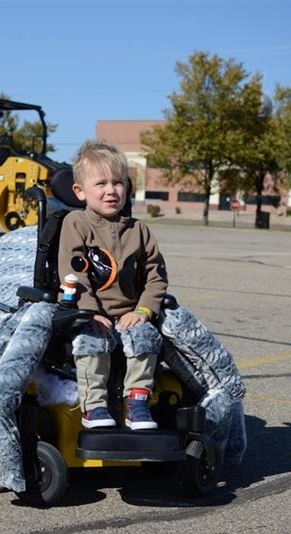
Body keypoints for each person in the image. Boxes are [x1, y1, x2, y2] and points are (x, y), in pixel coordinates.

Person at [58, 140, 168, 429]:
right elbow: (74, 273)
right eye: (102, 183)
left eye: (118, 183)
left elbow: (156, 276)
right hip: (89, 314)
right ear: (80, 191)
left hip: (130, 314)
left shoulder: (139, 231)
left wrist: (144, 311)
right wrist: (89, 311)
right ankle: (93, 407)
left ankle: (137, 403)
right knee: (90, 341)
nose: (111, 190)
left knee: (145, 337)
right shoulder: (76, 223)